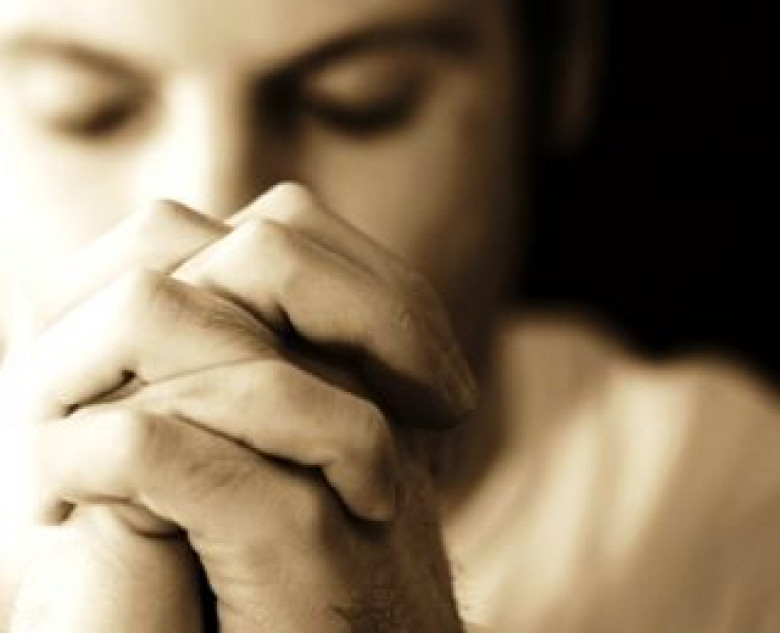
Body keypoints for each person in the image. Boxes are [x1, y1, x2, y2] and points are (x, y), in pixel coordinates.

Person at [0, 0, 776, 631]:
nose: (220, 213)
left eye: (358, 101)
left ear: (562, 64)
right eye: (83, 110)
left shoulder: (727, 509)